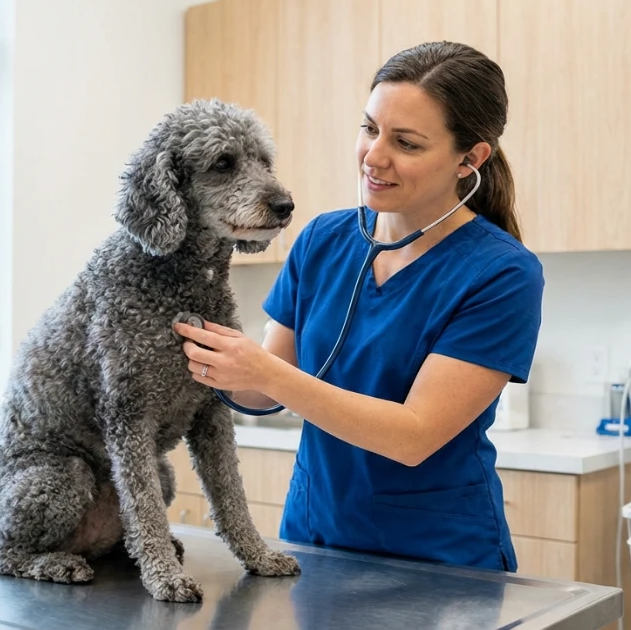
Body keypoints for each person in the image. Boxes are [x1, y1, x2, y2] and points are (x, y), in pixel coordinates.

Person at [174, 41, 544, 572]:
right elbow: (258, 390)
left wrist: (263, 372)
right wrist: (187, 343)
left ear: (470, 159)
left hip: (437, 558)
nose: (374, 156)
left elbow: (414, 435)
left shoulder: (502, 273)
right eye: (369, 128)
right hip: (314, 534)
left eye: (407, 143)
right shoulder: (323, 238)